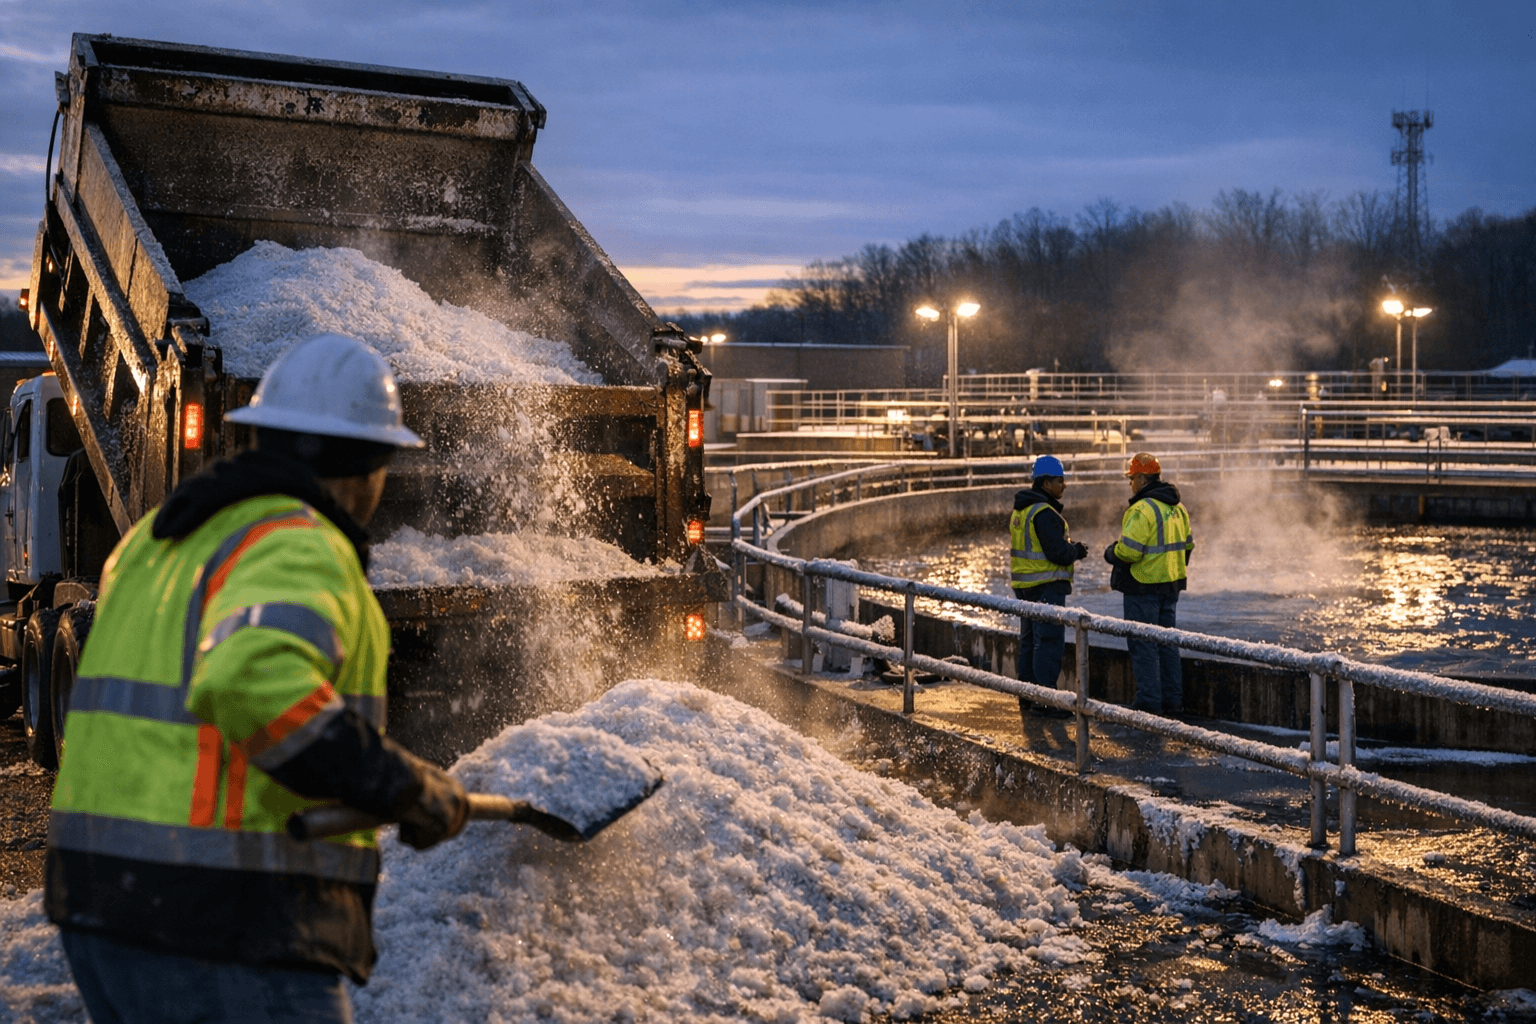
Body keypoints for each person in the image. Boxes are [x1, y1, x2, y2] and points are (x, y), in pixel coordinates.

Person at [46, 334, 471, 1024]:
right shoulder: (298, 541)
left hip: (99, 905)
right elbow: (252, 680)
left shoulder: (156, 541)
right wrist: (399, 785)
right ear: (367, 466)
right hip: (220, 917)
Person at [1104, 452, 1194, 714]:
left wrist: (1110, 552)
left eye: (1132, 479)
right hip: (1171, 586)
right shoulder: (1178, 508)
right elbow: (1187, 546)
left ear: (1142, 479)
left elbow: (1129, 551)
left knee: (1144, 645)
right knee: (1167, 645)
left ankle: (1149, 702)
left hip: (1143, 587)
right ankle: (1172, 700)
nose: (1130, 484)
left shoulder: (1142, 510)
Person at [1010, 454, 1089, 718]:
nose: (1064, 485)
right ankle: (1046, 701)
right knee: (1048, 642)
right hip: (1046, 586)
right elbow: (1057, 552)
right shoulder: (1044, 513)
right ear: (1045, 483)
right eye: (1059, 480)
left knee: (1030, 641)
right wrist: (1076, 550)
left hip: (1025, 585)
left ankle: (1028, 697)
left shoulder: (1023, 509)